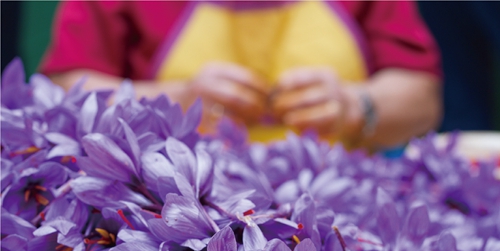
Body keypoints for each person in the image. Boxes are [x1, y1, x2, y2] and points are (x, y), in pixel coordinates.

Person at [39, 1, 442, 150]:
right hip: (170, 225)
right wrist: (168, 102)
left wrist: (357, 106)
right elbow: (59, 95)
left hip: (343, 215)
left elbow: (422, 98)